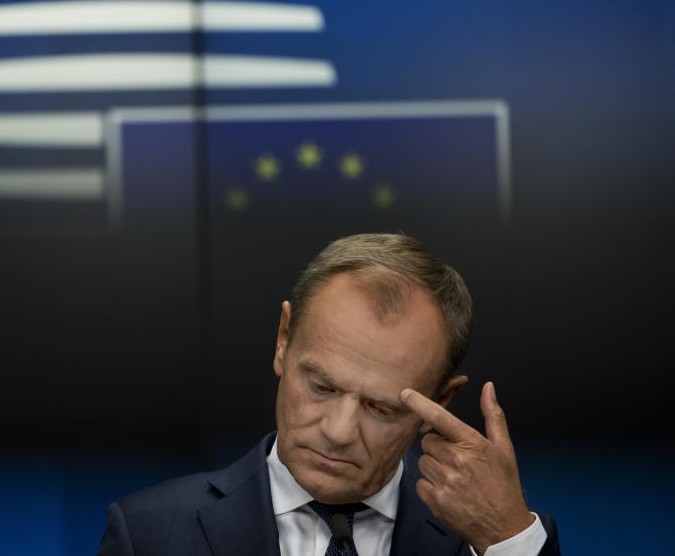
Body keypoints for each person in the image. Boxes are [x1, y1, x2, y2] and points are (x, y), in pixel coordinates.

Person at [98, 233, 560, 556]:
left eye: (382, 408)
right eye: (322, 386)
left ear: (437, 404)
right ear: (283, 339)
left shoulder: (489, 542)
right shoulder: (150, 534)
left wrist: (506, 539)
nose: (338, 432)